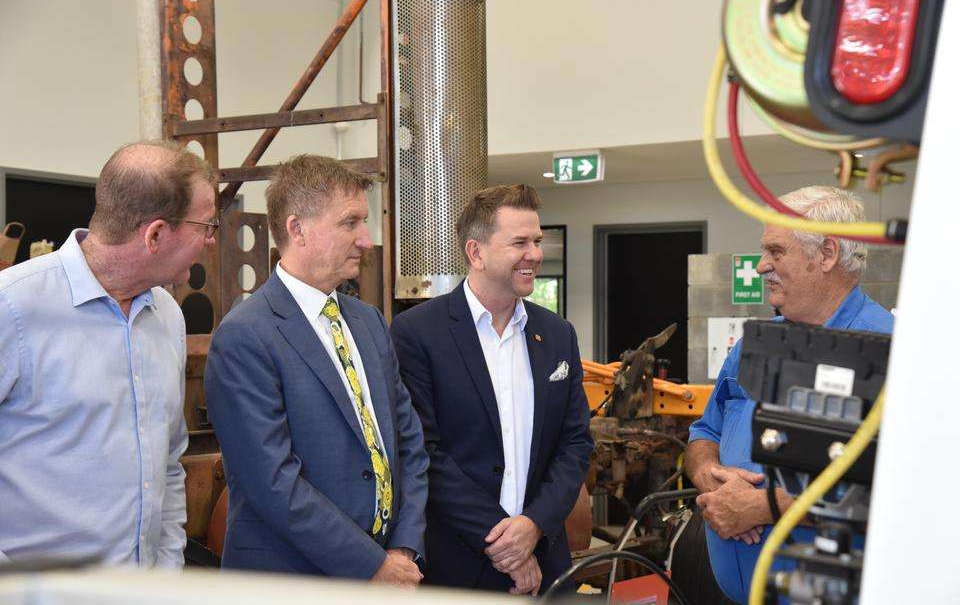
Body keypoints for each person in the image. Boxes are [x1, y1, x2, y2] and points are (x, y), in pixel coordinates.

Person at [205, 155, 428, 585]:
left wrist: (402, 546)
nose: (366, 240)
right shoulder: (246, 336)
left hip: (389, 571)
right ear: (297, 229)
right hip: (292, 579)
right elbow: (273, 482)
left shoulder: (368, 322)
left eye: (365, 222)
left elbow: (408, 442)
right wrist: (372, 565)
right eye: (350, 223)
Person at [0, 140, 218, 567]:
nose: (211, 242)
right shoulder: (13, 308)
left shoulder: (167, 315)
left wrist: (168, 569)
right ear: (155, 234)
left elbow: (169, 463)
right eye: (206, 226)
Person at [685, 185, 895, 603]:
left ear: (828, 254)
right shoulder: (754, 343)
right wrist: (711, 478)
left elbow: (901, 491)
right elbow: (704, 430)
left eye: (776, 252)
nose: (762, 266)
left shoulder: (889, 353)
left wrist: (764, 506)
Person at [390, 184, 594, 595]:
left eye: (537, 241)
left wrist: (533, 526)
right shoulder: (417, 334)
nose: (535, 254)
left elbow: (575, 444)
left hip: (546, 563)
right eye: (519, 242)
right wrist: (504, 543)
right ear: (475, 252)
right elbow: (423, 452)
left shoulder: (557, 334)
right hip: (457, 568)